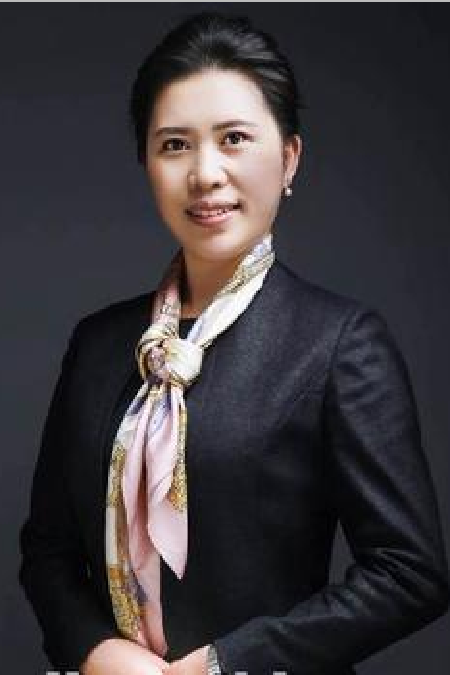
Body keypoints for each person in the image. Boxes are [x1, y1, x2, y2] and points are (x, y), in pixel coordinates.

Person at [19, 10, 449, 675]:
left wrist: (226, 662)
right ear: (147, 163)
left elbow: (409, 571)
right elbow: (48, 549)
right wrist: (98, 651)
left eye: (235, 138)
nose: (206, 173)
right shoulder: (100, 344)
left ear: (289, 157)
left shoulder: (339, 344)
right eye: (174, 144)